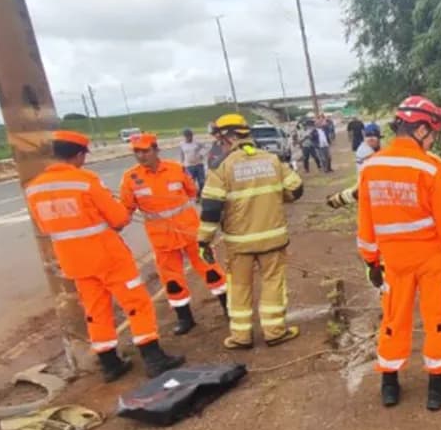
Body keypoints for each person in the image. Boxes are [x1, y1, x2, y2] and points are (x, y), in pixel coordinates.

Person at [24, 130, 185, 381]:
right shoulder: (85, 180)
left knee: (95, 310)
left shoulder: (34, 189)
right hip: (108, 257)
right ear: (78, 155)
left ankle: (110, 364)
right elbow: (119, 218)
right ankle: (154, 358)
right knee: (136, 304)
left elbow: (45, 228)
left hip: (74, 261)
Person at [355, 95, 441, 411]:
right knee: (438, 317)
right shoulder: (431, 168)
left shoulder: (371, 167)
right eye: (433, 132)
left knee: (394, 317)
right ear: (421, 130)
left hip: (393, 261)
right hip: (431, 259)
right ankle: (437, 389)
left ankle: (389, 385)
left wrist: (370, 261)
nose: (434, 138)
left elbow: (366, 222)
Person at [200, 114, 305, 350]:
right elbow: (296, 189)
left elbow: (211, 209)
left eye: (220, 137)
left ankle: (241, 337)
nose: (219, 143)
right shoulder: (272, 160)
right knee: (273, 284)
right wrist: (276, 197)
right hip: (273, 239)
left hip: (239, 244)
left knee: (239, 288)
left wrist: (204, 241)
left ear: (230, 137)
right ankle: (275, 331)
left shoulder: (222, 168)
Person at [121, 133, 228, 335]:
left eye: (145, 151)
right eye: (137, 152)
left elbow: (191, 192)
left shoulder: (176, 169)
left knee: (211, 269)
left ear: (156, 150)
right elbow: (125, 209)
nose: (141, 156)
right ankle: (185, 318)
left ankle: (228, 308)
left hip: (190, 232)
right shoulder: (130, 178)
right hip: (162, 239)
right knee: (172, 280)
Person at [179, 128, 206, 197]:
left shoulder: (197, 142)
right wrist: (182, 163)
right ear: (184, 136)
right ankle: (195, 196)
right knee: (191, 183)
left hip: (199, 165)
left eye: (190, 136)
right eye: (187, 136)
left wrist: (201, 154)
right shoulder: (182, 144)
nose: (188, 137)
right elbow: (182, 154)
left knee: (201, 182)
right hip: (189, 166)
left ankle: (201, 195)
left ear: (192, 135)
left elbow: (205, 147)